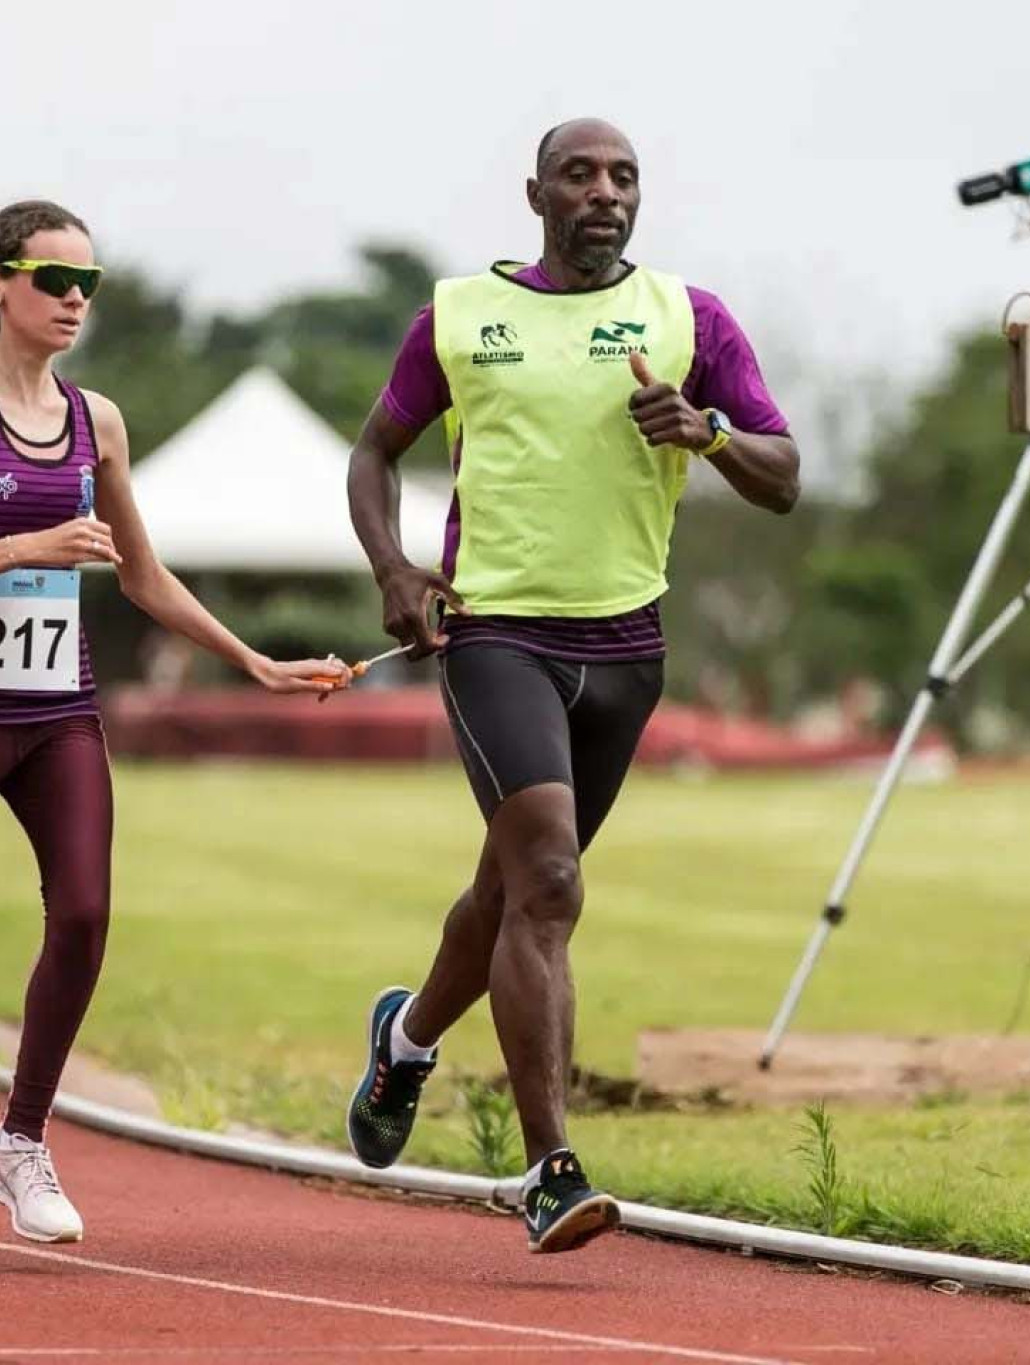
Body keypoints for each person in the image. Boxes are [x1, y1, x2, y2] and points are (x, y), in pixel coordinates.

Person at [0, 199, 348, 1260]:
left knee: (84, 916)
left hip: (58, 714)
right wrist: (20, 541)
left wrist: (253, 662)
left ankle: (18, 1143)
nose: (74, 300)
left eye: (90, 285)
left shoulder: (95, 420)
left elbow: (144, 576)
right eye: (53, 280)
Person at [343, 120, 800, 1254]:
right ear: (537, 194)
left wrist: (707, 433)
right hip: (497, 634)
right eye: (581, 176)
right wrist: (397, 571)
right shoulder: (456, 318)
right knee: (548, 880)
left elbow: (784, 474)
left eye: (624, 177)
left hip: (626, 650)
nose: (604, 193)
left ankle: (404, 1040)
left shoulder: (690, 320)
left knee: (511, 897)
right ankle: (549, 1168)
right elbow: (372, 455)